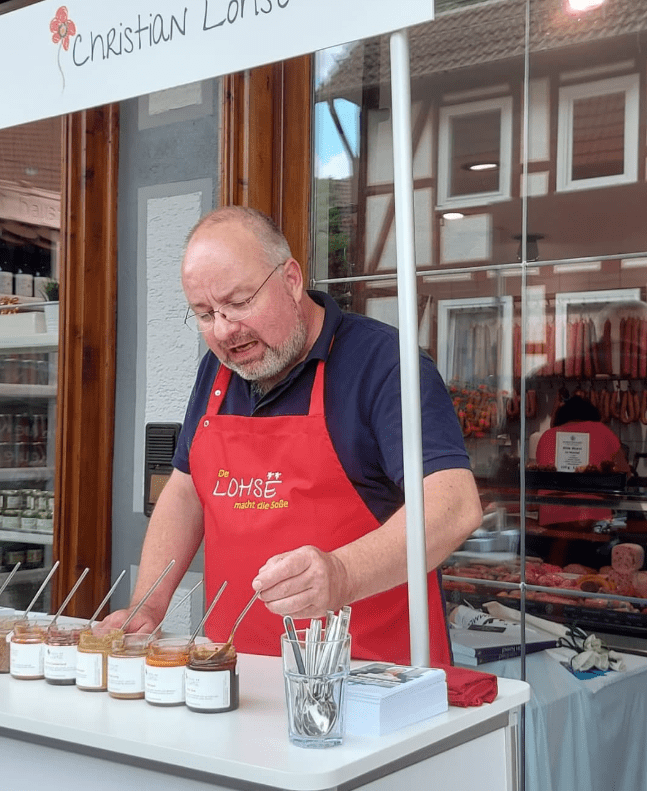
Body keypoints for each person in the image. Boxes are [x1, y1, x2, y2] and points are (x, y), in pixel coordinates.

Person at [100, 206, 482, 665]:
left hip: (368, 684)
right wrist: (149, 605)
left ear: (291, 279)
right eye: (204, 314)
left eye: (239, 303)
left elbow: (453, 505)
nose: (224, 331)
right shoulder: (218, 371)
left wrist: (342, 574)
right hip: (235, 675)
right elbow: (187, 490)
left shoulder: (385, 365)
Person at [535, 394, 630, 527]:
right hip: (594, 519)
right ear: (591, 414)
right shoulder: (603, 431)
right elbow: (625, 474)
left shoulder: (547, 436)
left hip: (551, 520)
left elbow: (539, 476)